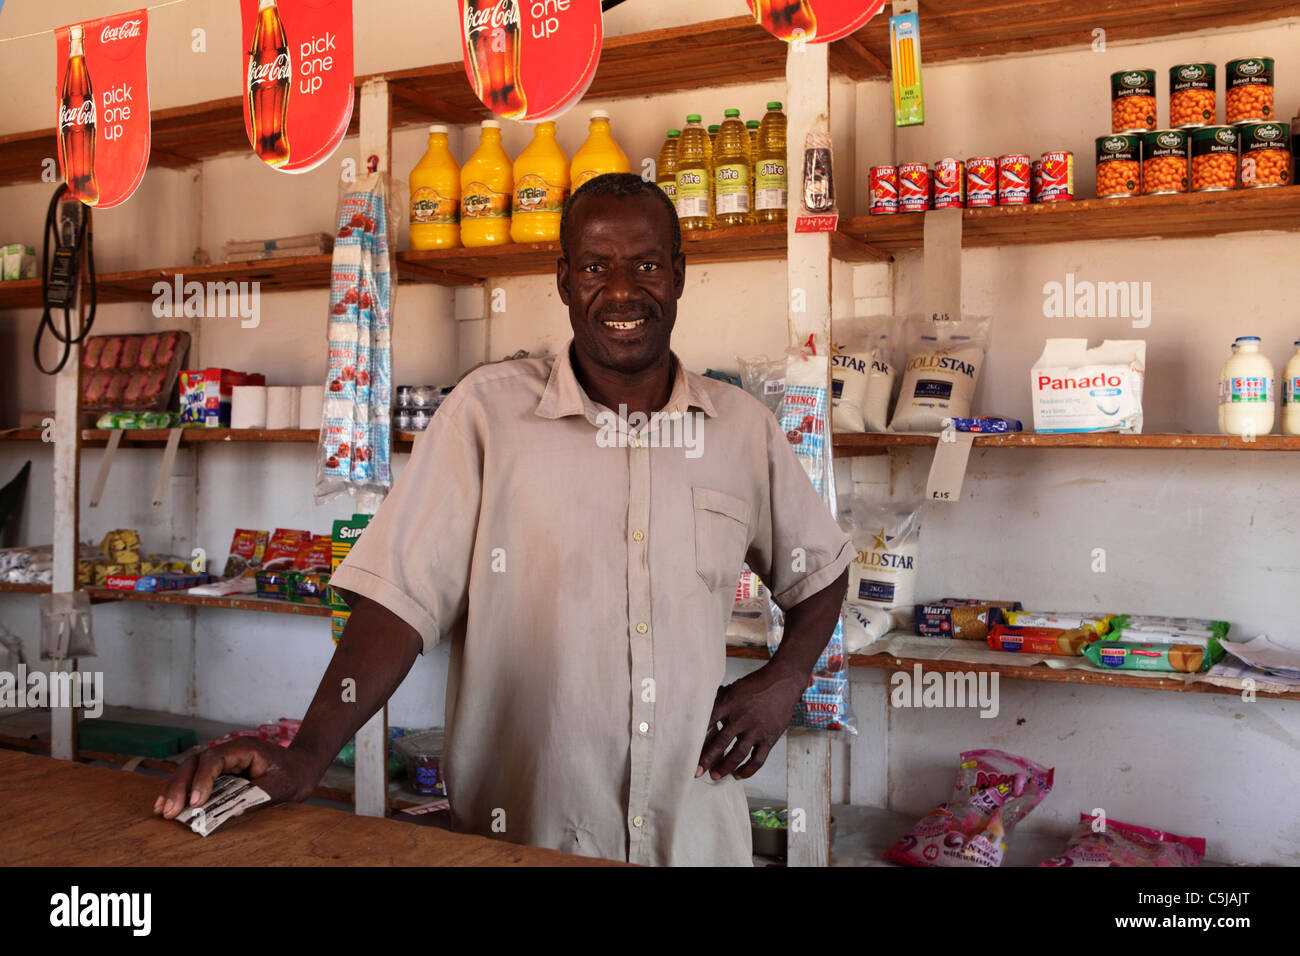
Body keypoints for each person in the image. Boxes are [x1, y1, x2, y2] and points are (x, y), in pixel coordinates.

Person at [156, 173, 851, 866]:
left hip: (696, 839)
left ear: (678, 274)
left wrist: (785, 677)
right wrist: (307, 755)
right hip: (523, 836)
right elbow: (400, 601)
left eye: (645, 265)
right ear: (562, 280)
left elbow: (819, 572)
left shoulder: (739, 430)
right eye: (594, 266)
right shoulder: (485, 413)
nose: (620, 291)